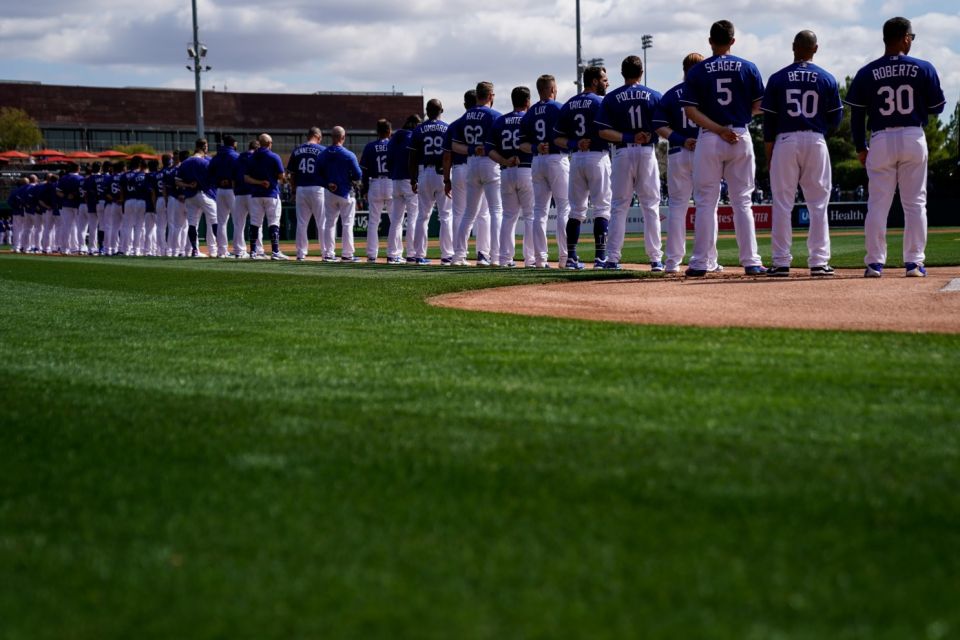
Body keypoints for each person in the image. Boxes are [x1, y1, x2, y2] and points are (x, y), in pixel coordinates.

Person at [846, 16, 945, 278]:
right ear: (905, 37)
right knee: (915, 204)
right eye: (911, 37)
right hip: (913, 135)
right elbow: (938, 108)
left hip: (880, 139)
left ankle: (875, 264)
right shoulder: (923, 67)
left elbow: (857, 115)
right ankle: (914, 263)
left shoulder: (867, 71)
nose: (911, 40)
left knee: (878, 204)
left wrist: (860, 147)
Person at [681, 19, 767, 276]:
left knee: (706, 202)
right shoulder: (748, 67)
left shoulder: (697, 71)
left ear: (710, 41)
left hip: (710, 137)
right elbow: (759, 106)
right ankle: (751, 261)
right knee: (743, 202)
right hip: (740, 135)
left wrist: (718, 130)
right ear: (733, 40)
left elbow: (690, 110)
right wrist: (737, 123)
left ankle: (699, 263)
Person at [762, 30, 843, 277]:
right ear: (815, 49)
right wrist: (817, 130)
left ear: (793, 47)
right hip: (815, 138)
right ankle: (819, 262)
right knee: (818, 204)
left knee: (782, 204)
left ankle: (781, 262)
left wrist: (769, 153)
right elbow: (836, 119)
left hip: (785, 140)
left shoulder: (777, 78)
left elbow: (768, 122)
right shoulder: (826, 78)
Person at [654, 53, 725, 273]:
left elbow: (658, 125)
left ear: (684, 69)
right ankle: (709, 260)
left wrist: (680, 139)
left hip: (677, 152)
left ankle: (672, 262)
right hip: (705, 150)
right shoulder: (709, 91)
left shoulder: (672, 94)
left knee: (677, 207)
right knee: (708, 206)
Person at [596, 55, 663, 271]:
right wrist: (645, 134)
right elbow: (663, 126)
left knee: (618, 206)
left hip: (623, 153)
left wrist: (628, 137)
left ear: (622, 73)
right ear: (641, 72)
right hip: (646, 152)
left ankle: (613, 258)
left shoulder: (612, 98)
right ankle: (656, 260)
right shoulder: (654, 95)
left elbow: (603, 131)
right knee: (650, 206)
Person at [553, 65, 611, 269]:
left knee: (576, 210)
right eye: (604, 79)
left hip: (576, 158)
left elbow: (557, 138)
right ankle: (600, 258)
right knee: (602, 208)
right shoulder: (602, 102)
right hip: (597, 156)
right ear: (594, 81)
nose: (607, 82)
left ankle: (571, 258)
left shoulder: (569, 104)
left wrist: (574, 144)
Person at [520, 74, 570, 268]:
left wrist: (535, 148)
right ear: (550, 90)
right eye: (554, 88)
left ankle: (540, 259)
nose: (556, 90)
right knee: (564, 208)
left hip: (537, 161)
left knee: (539, 211)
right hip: (557, 159)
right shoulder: (559, 108)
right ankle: (565, 258)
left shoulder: (530, 112)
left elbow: (522, 143)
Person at [452, 81, 503, 266]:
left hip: (471, 162)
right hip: (490, 162)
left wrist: (473, 148)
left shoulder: (464, 117)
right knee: (495, 211)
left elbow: (454, 146)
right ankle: (494, 256)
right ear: (490, 96)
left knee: (469, 213)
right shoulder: (495, 115)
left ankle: (458, 256)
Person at [443, 89, 491, 265]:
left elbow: (447, 155)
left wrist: (446, 180)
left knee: (460, 214)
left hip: (459, 170)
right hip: (478, 166)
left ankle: (459, 254)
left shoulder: (456, 124)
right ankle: (483, 254)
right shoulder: (488, 117)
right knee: (483, 214)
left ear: (465, 105)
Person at [487, 86, 534, 267]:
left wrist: (505, 161)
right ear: (527, 101)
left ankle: (505, 259)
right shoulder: (529, 118)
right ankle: (530, 259)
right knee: (530, 216)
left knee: (508, 216)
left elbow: (490, 150)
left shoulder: (500, 121)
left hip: (506, 171)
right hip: (527, 169)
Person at [408, 100, 453, 265]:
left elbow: (412, 157)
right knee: (446, 216)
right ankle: (447, 256)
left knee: (422, 216)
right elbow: (450, 155)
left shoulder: (419, 129)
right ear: (442, 109)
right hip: (442, 172)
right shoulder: (448, 127)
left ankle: (419, 255)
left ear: (426, 111)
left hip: (425, 172)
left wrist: (413, 179)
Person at [320, 126, 363, 262]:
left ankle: (328, 253)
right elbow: (358, 175)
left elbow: (317, 174)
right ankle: (347, 254)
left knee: (329, 223)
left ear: (331, 137)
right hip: (346, 192)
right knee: (347, 224)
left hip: (329, 192)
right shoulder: (348, 154)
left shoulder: (323, 153)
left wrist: (328, 183)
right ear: (343, 137)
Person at [245, 133, 289, 260]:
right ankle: (275, 251)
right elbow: (281, 176)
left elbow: (246, 178)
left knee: (255, 223)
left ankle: (253, 251)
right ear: (269, 143)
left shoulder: (252, 157)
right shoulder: (274, 156)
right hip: (271, 193)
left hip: (255, 194)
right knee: (273, 222)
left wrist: (259, 182)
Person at [287, 127, 326, 261]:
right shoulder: (322, 150)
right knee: (322, 222)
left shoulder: (297, 150)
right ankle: (325, 252)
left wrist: (293, 190)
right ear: (318, 136)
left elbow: (292, 174)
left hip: (301, 188)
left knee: (302, 223)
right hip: (317, 188)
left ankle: (300, 253)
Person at [386, 114, 421, 263]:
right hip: (409, 179)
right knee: (413, 217)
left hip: (395, 180)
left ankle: (393, 254)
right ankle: (411, 253)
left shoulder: (394, 138)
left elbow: (388, 160)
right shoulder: (413, 136)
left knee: (396, 219)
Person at [177, 139, 217, 258]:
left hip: (190, 196)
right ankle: (221, 249)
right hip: (204, 194)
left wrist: (188, 185)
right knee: (215, 220)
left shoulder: (185, 162)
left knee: (193, 224)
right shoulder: (205, 163)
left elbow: (177, 181)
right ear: (204, 147)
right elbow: (213, 179)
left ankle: (195, 250)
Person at [360, 119, 393, 262]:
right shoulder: (393, 145)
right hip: (391, 182)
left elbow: (364, 172)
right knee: (395, 220)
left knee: (373, 221)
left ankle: (372, 255)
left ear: (377, 132)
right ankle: (393, 254)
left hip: (375, 182)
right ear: (389, 131)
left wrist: (365, 189)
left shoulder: (370, 147)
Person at [208, 135, 239, 258]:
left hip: (220, 190)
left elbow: (209, 173)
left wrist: (218, 181)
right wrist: (230, 180)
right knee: (238, 221)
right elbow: (239, 172)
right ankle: (238, 250)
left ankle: (222, 251)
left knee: (221, 222)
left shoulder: (216, 157)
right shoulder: (235, 156)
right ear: (233, 144)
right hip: (232, 190)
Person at [232, 140, 261, 258]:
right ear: (257, 148)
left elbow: (233, 177)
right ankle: (258, 250)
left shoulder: (238, 158)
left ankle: (239, 251)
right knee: (256, 222)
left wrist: (235, 190)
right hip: (252, 193)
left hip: (239, 194)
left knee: (238, 224)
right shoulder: (256, 158)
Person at [56, 162, 84, 255]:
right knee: (80, 227)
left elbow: (58, 192)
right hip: (77, 205)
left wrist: (66, 196)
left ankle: (65, 249)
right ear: (78, 168)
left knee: (66, 227)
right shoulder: (80, 178)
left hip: (65, 204)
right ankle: (79, 247)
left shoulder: (63, 178)